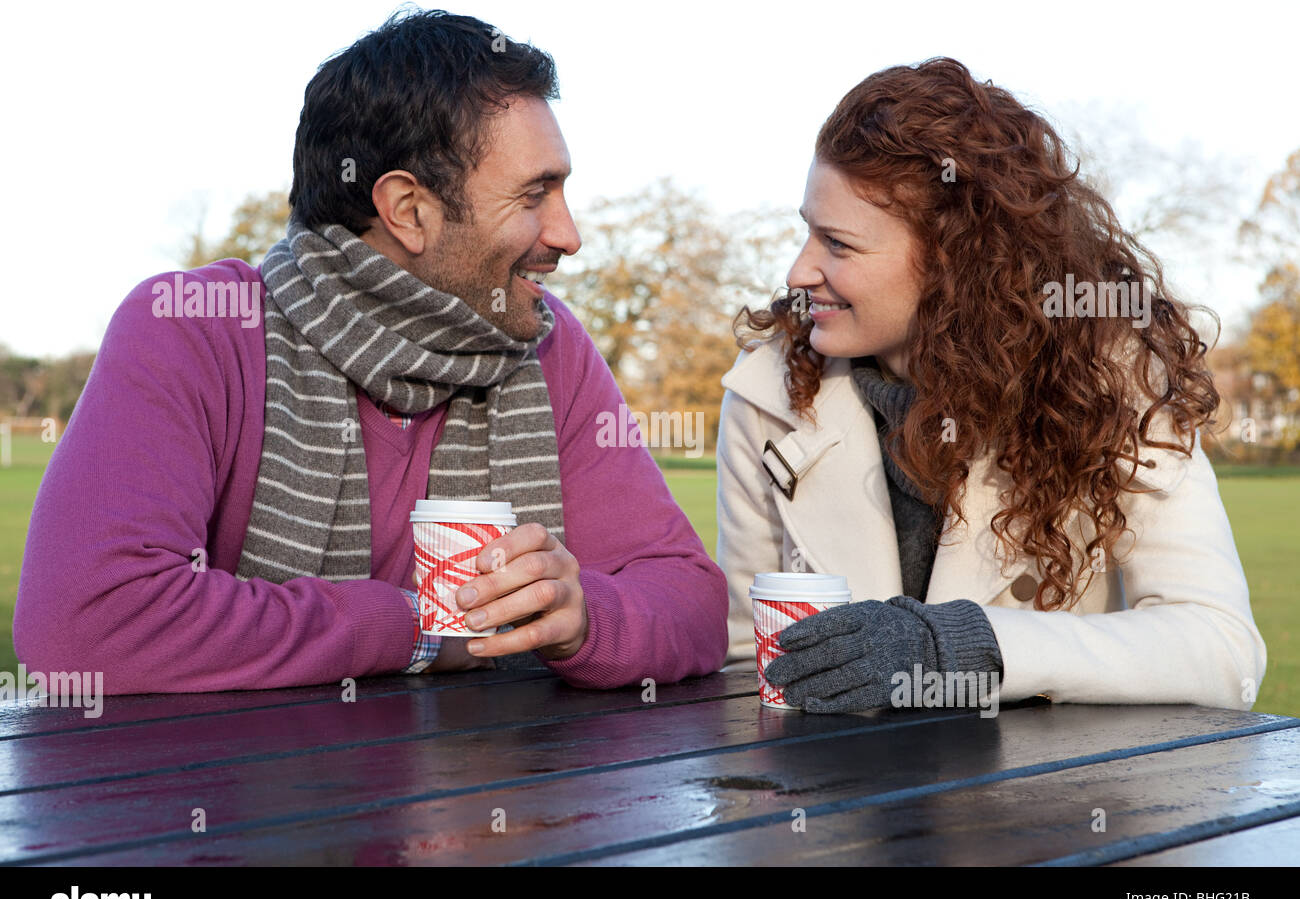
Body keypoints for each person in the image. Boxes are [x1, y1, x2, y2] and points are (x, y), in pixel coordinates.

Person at [15, 10, 727, 694]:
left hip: (485, 800)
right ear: (409, 211)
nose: (569, 235)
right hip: (240, 808)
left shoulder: (547, 345)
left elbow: (691, 604)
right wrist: (413, 629)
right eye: (535, 195)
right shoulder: (191, 329)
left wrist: (582, 618)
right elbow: (88, 624)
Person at [716, 57, 1265, 713]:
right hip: (834, 805)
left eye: (838, 245)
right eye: (807, 230)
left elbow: (1223, 651)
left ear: (954, 263)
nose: (798, 269)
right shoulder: (765, 391)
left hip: (1043, 802)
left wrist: (968, 647)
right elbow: (748, 666)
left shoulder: (1112, 375)